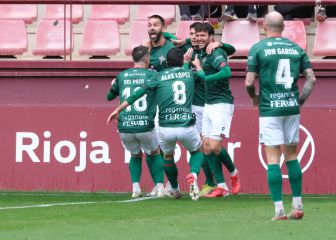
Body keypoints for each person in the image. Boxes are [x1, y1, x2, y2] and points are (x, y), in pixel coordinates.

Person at [108, 47, 204, 201]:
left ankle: (175, 188)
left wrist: (118, 109)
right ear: (182, 61)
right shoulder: (189, 74)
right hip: (186, 125)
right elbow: (202, 77)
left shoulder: (158, 76)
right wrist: (197, 66)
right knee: (197, 151)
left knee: (167, 157)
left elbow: (137, 93)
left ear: (166, 62)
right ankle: (193, 173)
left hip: (166, 127)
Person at [245, 11, 316, 220]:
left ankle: (279, 210)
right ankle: (298, 205)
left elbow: (249, 82)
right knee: (292, 156)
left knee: (273, 159)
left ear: (264, 26)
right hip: (291, 107)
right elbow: (311, 79)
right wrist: (300, 101)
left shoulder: (258, 48)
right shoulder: (296, 48)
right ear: (283, 27)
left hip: (269, 109)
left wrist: (254, 99)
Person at [106, 45, 165, 198]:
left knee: (135, 155)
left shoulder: (122, 76)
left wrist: (114, 86)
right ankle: (160, 188)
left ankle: (136, 189)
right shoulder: (152, 75)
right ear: (146, 58)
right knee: (154, 152)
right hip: (145, 124)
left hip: (125, 125)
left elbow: (109, 97)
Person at [190, 22, 241, 198]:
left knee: (214, 146)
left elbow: (227, 72)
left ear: (211, 37)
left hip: (221, 103)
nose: (199, 38)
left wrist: (204, 75)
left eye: (203, 35)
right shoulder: (202, 54)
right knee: (206, 147)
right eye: (197, 35)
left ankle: (234, 174)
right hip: (209, 104)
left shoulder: (215, 51)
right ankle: (221, 186)